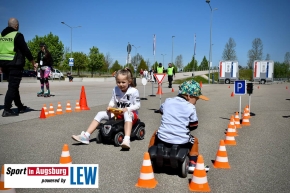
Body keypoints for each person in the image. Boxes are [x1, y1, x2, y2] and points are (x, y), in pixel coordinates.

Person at [148, 80, 210, 172]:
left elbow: (161, 110)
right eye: (196, 99)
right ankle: (193, 162)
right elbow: (194, 125)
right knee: (195, 140)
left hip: (163, 137)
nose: (196, 102)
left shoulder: (168, 101)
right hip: (181, 140)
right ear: (189, 96)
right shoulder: (191, 107)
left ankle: (149, 155)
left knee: (155, 133)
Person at [72, 68, 140, 149]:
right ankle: (86, 136)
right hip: (118, 113)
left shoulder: (134, 91)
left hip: (131, 114)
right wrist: (110, 106)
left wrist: (127, 109)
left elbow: (137, 105)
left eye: (123, 82)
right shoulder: (115, 89)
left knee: (127, 114)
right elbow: (113, 101)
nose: (120, 84)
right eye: (118, 82)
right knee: (100, 114)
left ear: (129, 81)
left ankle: (126, 139)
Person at [0, 18, 37, 117]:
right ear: (16, 26)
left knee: (14, 87)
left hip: (4, 65)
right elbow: (25, 50)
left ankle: (20, 106)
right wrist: (33, 62)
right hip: (15, 65)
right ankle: (7, 110)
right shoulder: (17, 35)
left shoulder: (1, 36)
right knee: (12, 87)